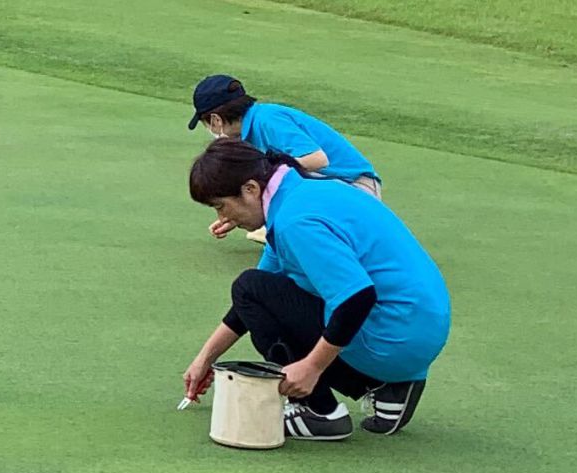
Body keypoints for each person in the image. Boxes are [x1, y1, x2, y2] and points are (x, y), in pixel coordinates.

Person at [180, 138, 450, 441]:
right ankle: (389, 388)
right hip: (417, 333)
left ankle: (319, 413)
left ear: (250, 189)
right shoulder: (300, 193)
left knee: (248, 286)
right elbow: (256, 299)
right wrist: (205, 359)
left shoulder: (294, 221)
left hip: (391, 335)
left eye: (220, 206)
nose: (223, 219)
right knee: (255, 289)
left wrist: (311, 367)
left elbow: (357, 297)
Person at [187, 75, 381, 242]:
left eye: (207, 124)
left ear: (215, 120)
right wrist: (238, 212)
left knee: (271, 176)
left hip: (357, 188)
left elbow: (318, 159)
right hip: (336, 189)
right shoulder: (249, 132)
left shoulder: (268, 119)